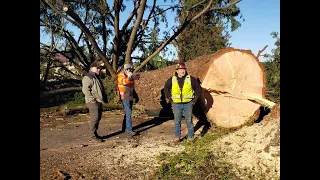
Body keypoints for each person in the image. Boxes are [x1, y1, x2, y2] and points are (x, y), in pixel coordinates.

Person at [163, 62, 201, 142]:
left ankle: (190, 137)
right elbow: (166, 88)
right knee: (177, 121)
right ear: (177, 71)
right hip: (176, 104)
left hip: (188, 104)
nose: (182, 71)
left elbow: (198, 88)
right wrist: (169, 98)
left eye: (183, 69)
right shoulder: (172, 79)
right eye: (180, 70)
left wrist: (195, 100)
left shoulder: (191, 79)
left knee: (189, 121)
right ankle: (177, 137)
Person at [82, 60, 108, 142]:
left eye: (100, 68)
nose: (99, 70)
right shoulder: (88, 77)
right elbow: (85, 90)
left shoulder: (95, 76)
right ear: (92, 68)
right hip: (93, 102)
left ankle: (95, 134)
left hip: (98, 101)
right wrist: (92, 99)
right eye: (98, 68)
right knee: (95, 118)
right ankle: (92, 136)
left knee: (98, 117)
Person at [117, 63, 140, 136]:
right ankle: (129, 130)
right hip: (124, 97)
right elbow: (125, 82)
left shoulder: (129, 76)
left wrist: (136, 96)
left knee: (128, 113)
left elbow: (132, 87)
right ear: (124, 69)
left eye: (129, 69)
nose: (129, 70)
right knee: (129, 113)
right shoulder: (121, 76)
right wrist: (131, 78)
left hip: (129, 96)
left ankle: (125, 128)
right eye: (127, 69)